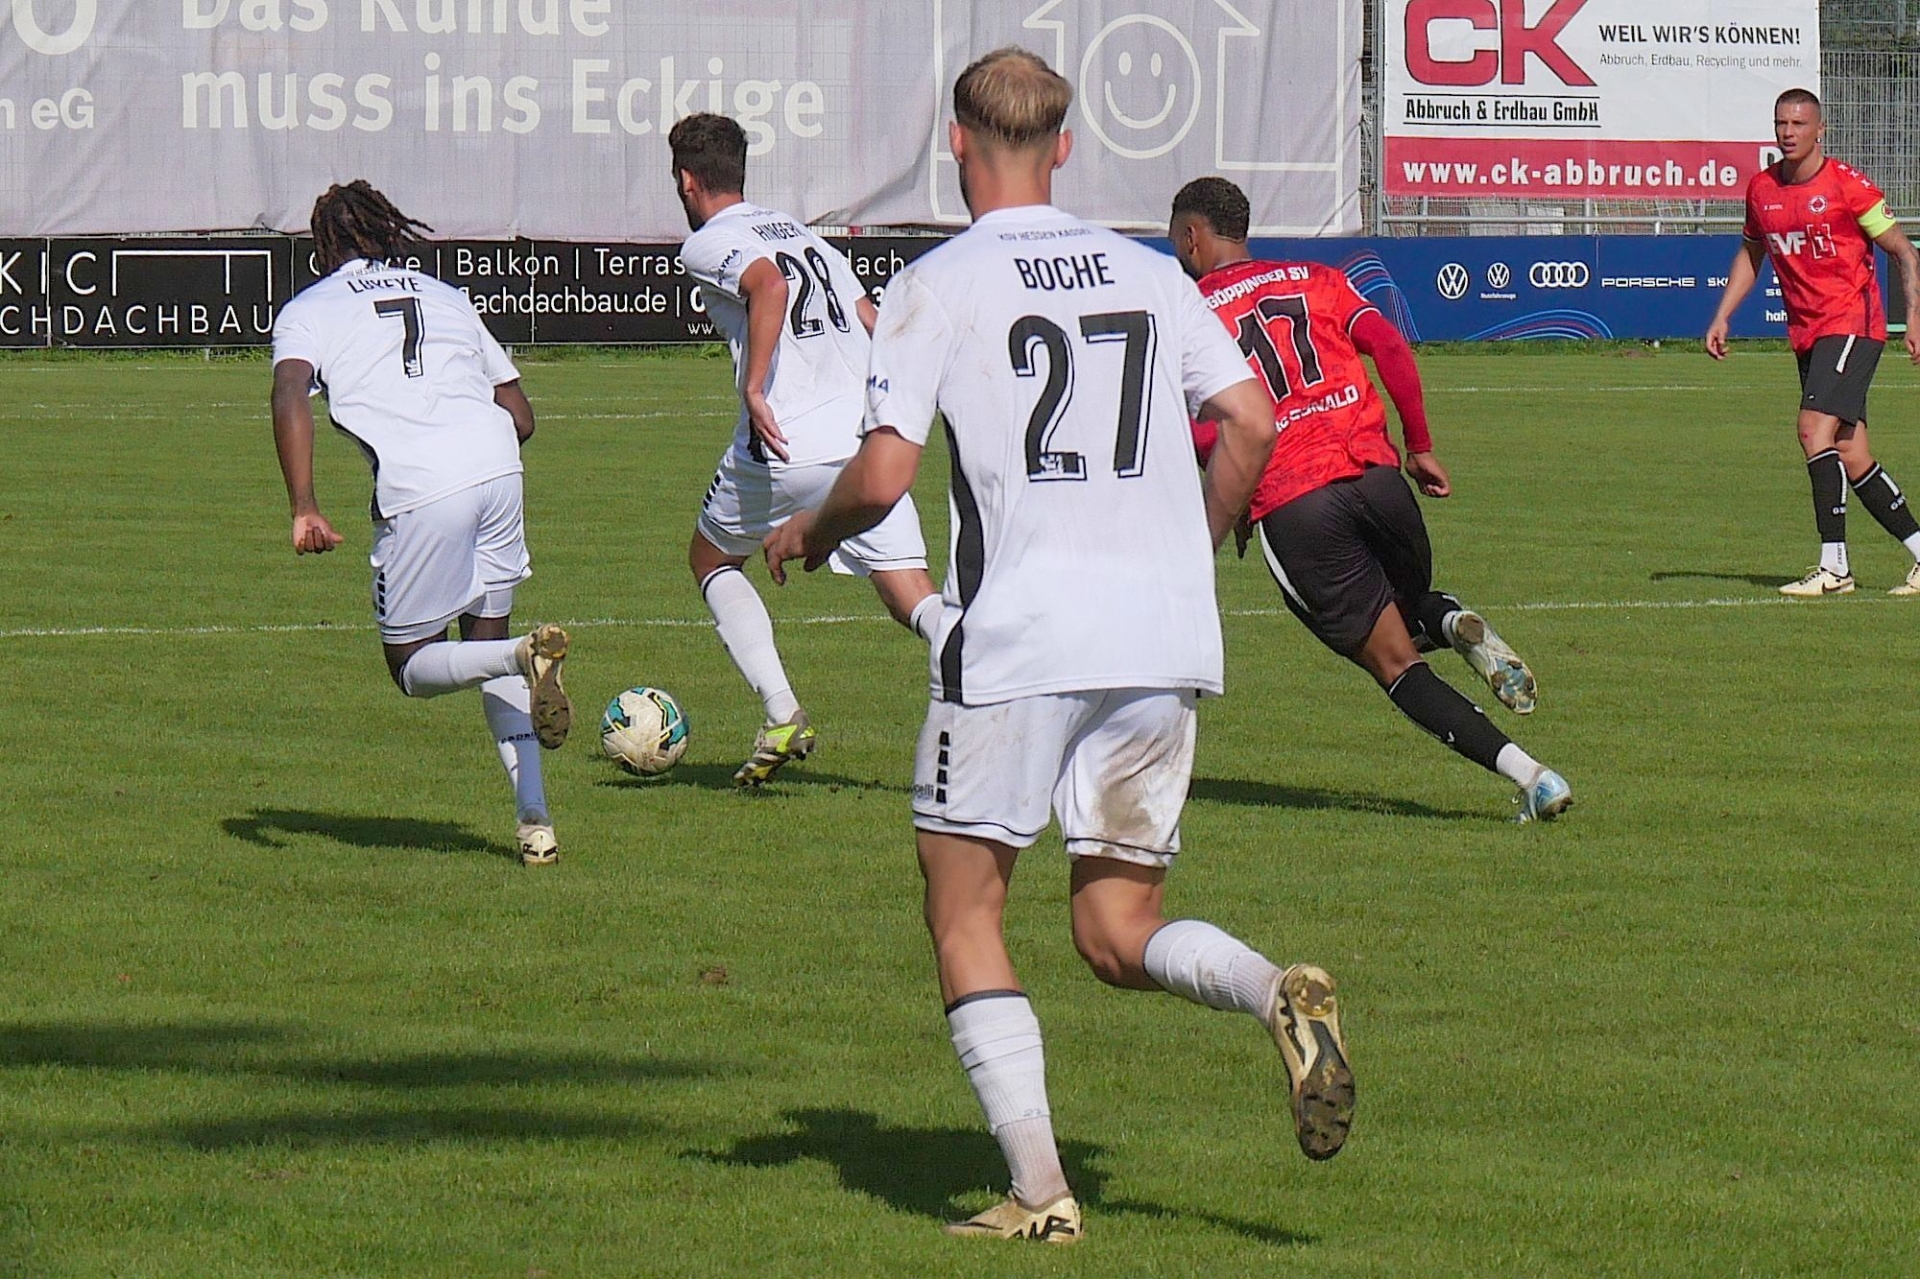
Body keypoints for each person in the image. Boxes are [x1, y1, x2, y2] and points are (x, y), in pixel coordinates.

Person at [765, 48, 1348, 1243]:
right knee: (1114, 930)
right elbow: (1249, 419)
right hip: (1159, 637)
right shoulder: (1150, 273)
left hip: (1022, 639)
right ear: (1067, 147)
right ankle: (1271, 990)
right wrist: (1193, 546)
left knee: (965, 912)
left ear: (958, 144)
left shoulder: (940, 281)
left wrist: (808, 532)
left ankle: (1038, 1192)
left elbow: (883, 476)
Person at [1168, 177, 1572, 823]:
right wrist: (1420, 445)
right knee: (1405, 609)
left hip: (1297, 501)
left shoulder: (1187, 313)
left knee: (1394, 662)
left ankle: (1533, 777)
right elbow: (1387, 343)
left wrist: (1234, 489)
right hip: (1379, 481)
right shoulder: (1316, 277)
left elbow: (1202, 429)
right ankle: (1450, 621)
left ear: (1192, 237)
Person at [269, 180, 572, 866]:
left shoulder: (308, 309)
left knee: (411, 667)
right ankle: (535, 821)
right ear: (387, 234)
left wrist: (304, 504)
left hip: (421, 482)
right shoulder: (445, 295)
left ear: (322, 247)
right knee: (485, 639)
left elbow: (289, 391)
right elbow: (522, 417)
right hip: (498, 464)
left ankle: (521, 656)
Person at [669, 113, 940, 787]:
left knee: (710, 558)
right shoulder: (799, 232)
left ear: (686, 180)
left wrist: (755, 386)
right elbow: (873, 319)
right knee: (912, 596)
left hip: (787, 440)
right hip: (864, 443)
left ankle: (782, 710)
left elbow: (769, 285)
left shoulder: (709, 241)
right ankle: (1005, 679)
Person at [1706, 87, 1920, 597]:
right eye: (1781, 123)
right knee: (1851, 452)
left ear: (1820, 130)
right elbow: (1752, 253)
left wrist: (1914, 317)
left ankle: (1834, 567)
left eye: (1799, 124)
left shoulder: (1847, 186)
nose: (1788, 132)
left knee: (1811, 430)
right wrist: (1722, 315)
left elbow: (1904, 252)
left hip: (1851, 323)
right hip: (1808, 333)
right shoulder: (1762, 189)